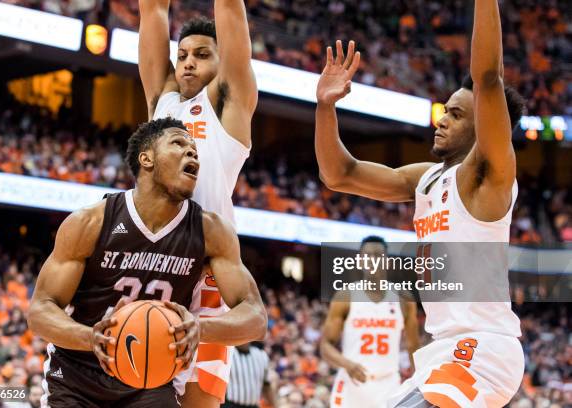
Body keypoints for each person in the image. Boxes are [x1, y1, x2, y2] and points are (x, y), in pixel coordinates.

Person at [314, 0, 526, 405]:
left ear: (483, 122)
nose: (442, 119)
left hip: (482, 350)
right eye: (444, 111)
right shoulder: (425, 178)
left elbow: (488, 79)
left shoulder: (489, 176)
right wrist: (325, 107)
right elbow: (339, 174)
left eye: (457, 114)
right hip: (442, 352)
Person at [27, 118, 267, 407]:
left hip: (151, 379)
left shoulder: (211, 232)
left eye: (194, 149)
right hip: (78, 376)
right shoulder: (90, 222)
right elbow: (40, 311)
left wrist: (200, 329)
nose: (192, 153)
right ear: (147, 158)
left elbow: (255, 317)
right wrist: (91, 338)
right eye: (179, 143)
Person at [138, 0, 258, 405]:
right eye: (183, 55)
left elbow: (232, 16)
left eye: (202, 55)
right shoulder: (163, 103)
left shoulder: (227, 103)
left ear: (223, 62)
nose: (188, 63)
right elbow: (152, 11)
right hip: (149, 266)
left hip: (208, 272)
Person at [320, 236, 419, 408]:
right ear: (359, 261)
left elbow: (413, 346)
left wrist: (418, 382)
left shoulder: (404, 299)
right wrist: (347, 365)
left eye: (378, 256)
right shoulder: (345, 296)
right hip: (352, 382)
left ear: (387, 261)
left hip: (388, 384)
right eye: (368, 255)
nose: (373, 261)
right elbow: (325, 346)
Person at [223, 343, 275, 408]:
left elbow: (266, 385)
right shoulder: (227, 352)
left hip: (253, 405)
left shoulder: (261, 355)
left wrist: (273, 404)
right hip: (231, 404)